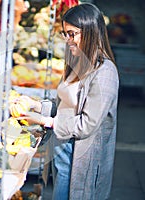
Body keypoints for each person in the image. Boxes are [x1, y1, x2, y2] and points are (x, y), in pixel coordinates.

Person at [18, 3, 119, 200]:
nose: (68, 40)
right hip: (62, 149)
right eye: (65, 34)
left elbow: (87, 124)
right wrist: (35, 105)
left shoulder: (105, 73)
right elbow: (62, 106)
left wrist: (45, 121)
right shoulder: (76, 63)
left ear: (90, 32)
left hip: (78, 155)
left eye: (72, 34)